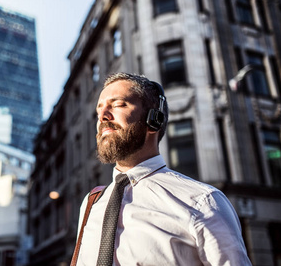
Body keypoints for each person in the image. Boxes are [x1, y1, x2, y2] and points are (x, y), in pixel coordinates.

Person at [73, 73, 251, 266]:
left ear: (153, 120)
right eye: (99, 110)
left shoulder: (202, 202)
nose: (102, 117)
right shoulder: (91, 203)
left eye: (118, 104)